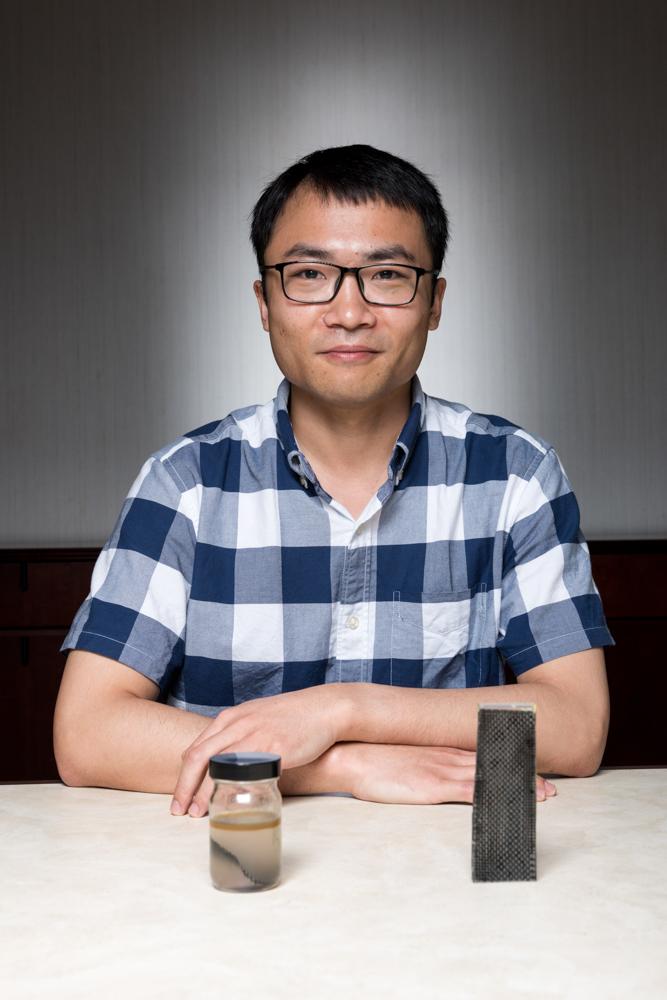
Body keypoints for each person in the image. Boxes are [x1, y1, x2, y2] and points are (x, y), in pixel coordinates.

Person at [54, 144, 614, 817]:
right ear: (264, 303)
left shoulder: (515, 474)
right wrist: (344, 765)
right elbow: (86, 736)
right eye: (311, 273)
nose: (349, 312)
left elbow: (576, 729)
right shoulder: (186, 482)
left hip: (444, 869)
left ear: (433, 303)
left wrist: (341, 709)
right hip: (237, 866)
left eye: (386, 275)